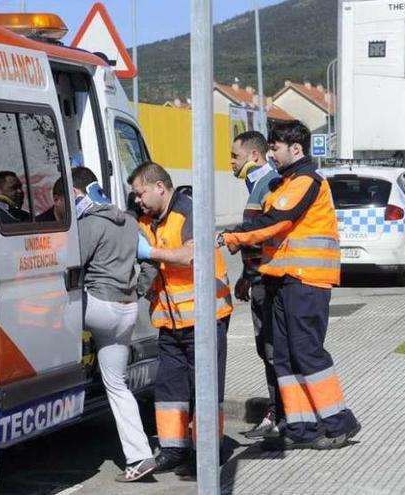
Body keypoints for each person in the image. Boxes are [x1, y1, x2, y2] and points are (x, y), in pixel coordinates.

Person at [217, 121, 361, 451]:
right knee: (283, 356)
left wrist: (233, 237)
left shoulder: (307, 180)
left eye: (276, 148)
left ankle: (339, 421)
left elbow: (275, 222)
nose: (271, 154)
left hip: (306, 280)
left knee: (306, 352)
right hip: (282, 279)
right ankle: (301, 426)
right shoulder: (285, 182)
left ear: (296, 149)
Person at [131, 162, 233, 477]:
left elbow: (191, 254)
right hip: (170, 322)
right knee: (169, 390)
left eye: (140, 193)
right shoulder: (148, 220)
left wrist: (150, 253)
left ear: (160, 187)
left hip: (205, 319)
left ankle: (206, 454)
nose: (137, 200)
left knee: (203, 389)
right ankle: (174, 450)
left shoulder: (189, 211)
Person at [72, 167, 157, 482]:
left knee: (45, 309)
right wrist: (139, 290)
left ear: (76, 194)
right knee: (117, 385)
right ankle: (140, 456)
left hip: (98, 305)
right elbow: (149, 260)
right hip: (127, 309)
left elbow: (71, 265)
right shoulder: (131, 221)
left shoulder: (89, 224)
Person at [229, 131, 283, 439]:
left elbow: (265, 234)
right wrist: (245, 277)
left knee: (274, 350)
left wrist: (253, 275)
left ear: (254, 156)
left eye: (234, 156)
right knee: (268, 350)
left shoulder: (269, 184)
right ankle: (277, 413)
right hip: (259, 280)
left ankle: (279, 416)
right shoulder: (258, 186)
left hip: (269, 282)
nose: (230, 163)